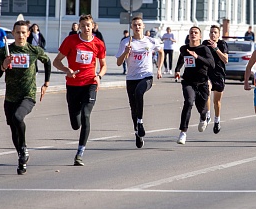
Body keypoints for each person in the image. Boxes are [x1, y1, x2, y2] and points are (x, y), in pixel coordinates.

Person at [0, 20, 52, 175]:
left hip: (28, 95)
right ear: (13, 33)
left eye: (23, 32)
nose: (20, 35)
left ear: (28, 34)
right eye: (17, 32)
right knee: (13, 126)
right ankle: (21, 158)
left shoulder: (33, 50)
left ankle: (24, 147)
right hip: (10, 96)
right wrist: (4, 65)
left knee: (18, 117)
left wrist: (46, 83)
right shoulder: (6, 51)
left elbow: (47, 62)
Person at [53, 14, 106, 166]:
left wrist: (99, 76)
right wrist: (66, 70)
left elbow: (103, 65)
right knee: (75, 123)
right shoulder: (71, 41)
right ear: (79, 27)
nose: (86, 28)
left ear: (93, 26)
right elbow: (56, 61)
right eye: (83, 25)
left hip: (90, 83)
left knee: (86, 115)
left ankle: (80, 153)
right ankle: (77, 125)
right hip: (73, 86)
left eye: (88, 25)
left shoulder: (98, 44)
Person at [116, 17, 163, 148]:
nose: (137, 27)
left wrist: (159, 68)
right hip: (131, 78)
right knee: (133, 108)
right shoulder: (126, 42)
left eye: (139, 25)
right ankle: (137, 132)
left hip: (146, 76)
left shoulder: (151, 41)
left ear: (143, 26)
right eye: (135, 25)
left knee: (139, 93)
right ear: (131, 27)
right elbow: (119, 62)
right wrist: (126, 52)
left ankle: (140, 122)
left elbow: (161, 52)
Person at [174, 26, 215, 144]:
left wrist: (197, 57)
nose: (193, 34)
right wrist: (177, 70)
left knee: (201, 108)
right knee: (188, 102)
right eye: (191, 32)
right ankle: (183, 132)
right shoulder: (184, 48)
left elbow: (211, 64)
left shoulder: (204, 49)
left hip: (202, 83)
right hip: (188, 81)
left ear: (200, 36)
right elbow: (182, 58)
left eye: (196, 32)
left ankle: (204, 117)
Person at [204, 24, 229, 134]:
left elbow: (225, 59)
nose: (213, 34)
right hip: (208, 73)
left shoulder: (222, 44)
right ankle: (207, 114)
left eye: (215, 32)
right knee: (206, 91)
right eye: (211, 32)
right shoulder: (205, 43)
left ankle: (217, 120)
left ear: (219, 34)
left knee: (217, 101)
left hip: (219, 75)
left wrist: (216, 48)